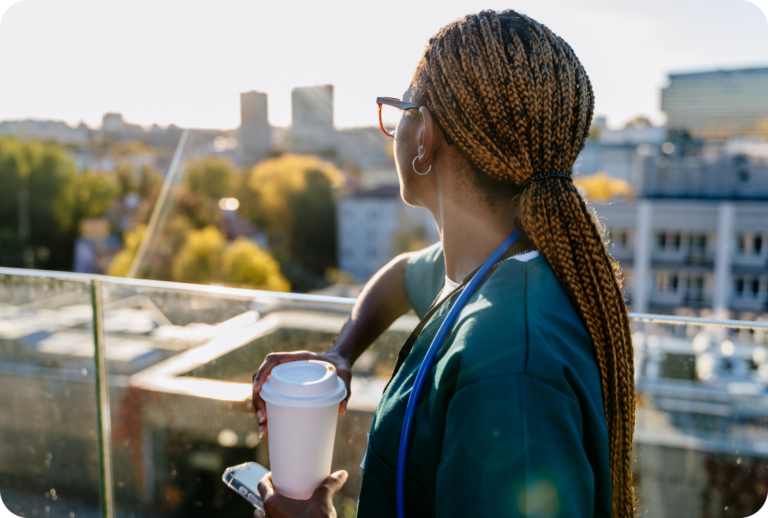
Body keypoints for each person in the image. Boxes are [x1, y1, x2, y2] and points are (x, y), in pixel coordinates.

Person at [252, 9, 634, 518]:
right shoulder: (494, 268)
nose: (397, 128)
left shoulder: (509, 368)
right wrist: (341, 354)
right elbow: (403, 274)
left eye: (401, 110)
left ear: (425, 137)